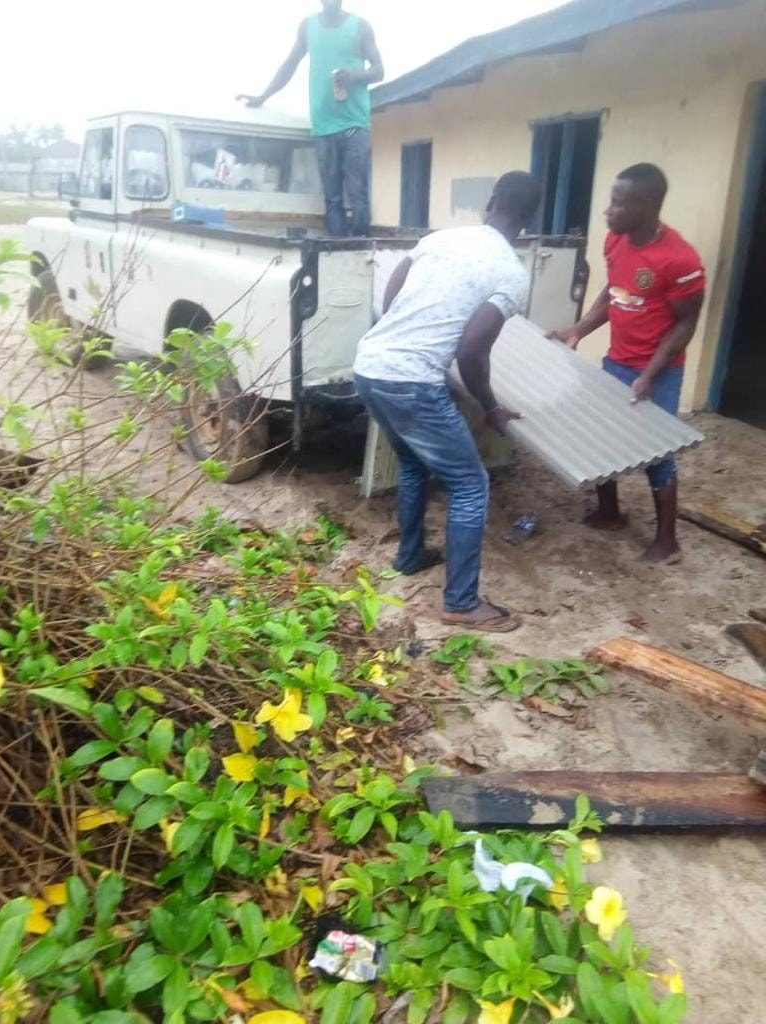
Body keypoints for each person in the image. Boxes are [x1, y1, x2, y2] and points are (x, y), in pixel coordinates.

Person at [354, 172, 542, 632]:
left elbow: (394, 291)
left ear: (492, 201)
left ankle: (411, 555)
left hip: (370, 364)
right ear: (530, 217)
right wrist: (491, 407)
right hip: (412, 381)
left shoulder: (442, 239)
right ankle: (460, 602)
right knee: (470, 484)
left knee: (415, 464)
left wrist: (407, 327)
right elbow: (472, 349)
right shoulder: (512, 273)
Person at [549, 163, 705, 562]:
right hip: (618, 360)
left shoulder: (679, 259)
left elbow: (687, 321)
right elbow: (615, 289)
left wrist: (650, 374)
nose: (609, 211)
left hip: (658, 371)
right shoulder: (616, 240)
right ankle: (609, 511)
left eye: (618, 204)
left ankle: (667, 541)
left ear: (648, 205)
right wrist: (579, 329)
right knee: (604, 437)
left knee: (657, 452)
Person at [236, 0, 383, 237]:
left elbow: (379, 70)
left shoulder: (360, 26)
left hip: (354, 123)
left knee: (358, 194)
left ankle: (360, 248)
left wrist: (353, 76)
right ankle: (337, 252)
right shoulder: (308, 26)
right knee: (333, 199)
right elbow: (290, 65)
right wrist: (263, 96)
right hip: (323, 126)